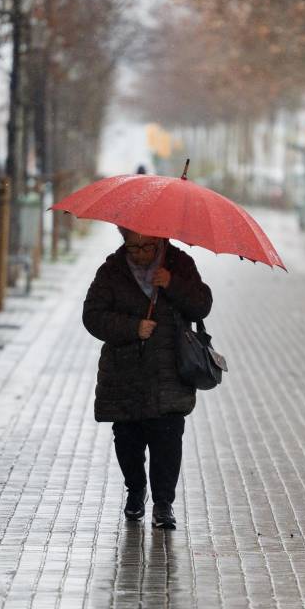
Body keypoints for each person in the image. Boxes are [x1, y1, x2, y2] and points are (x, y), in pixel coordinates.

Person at [83, 226, 213, 529]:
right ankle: (135, 489)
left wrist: (172, 283)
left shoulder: (179, 263)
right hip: (124, 373)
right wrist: (132, 328)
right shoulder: (112, 270)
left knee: (167, 439)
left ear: (160, 240)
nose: (141, 254)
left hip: (169, 371)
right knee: (127, 439)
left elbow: (202, 304)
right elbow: (92, 315)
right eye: (134, 248)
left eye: (148, 247)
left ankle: (163, 503)